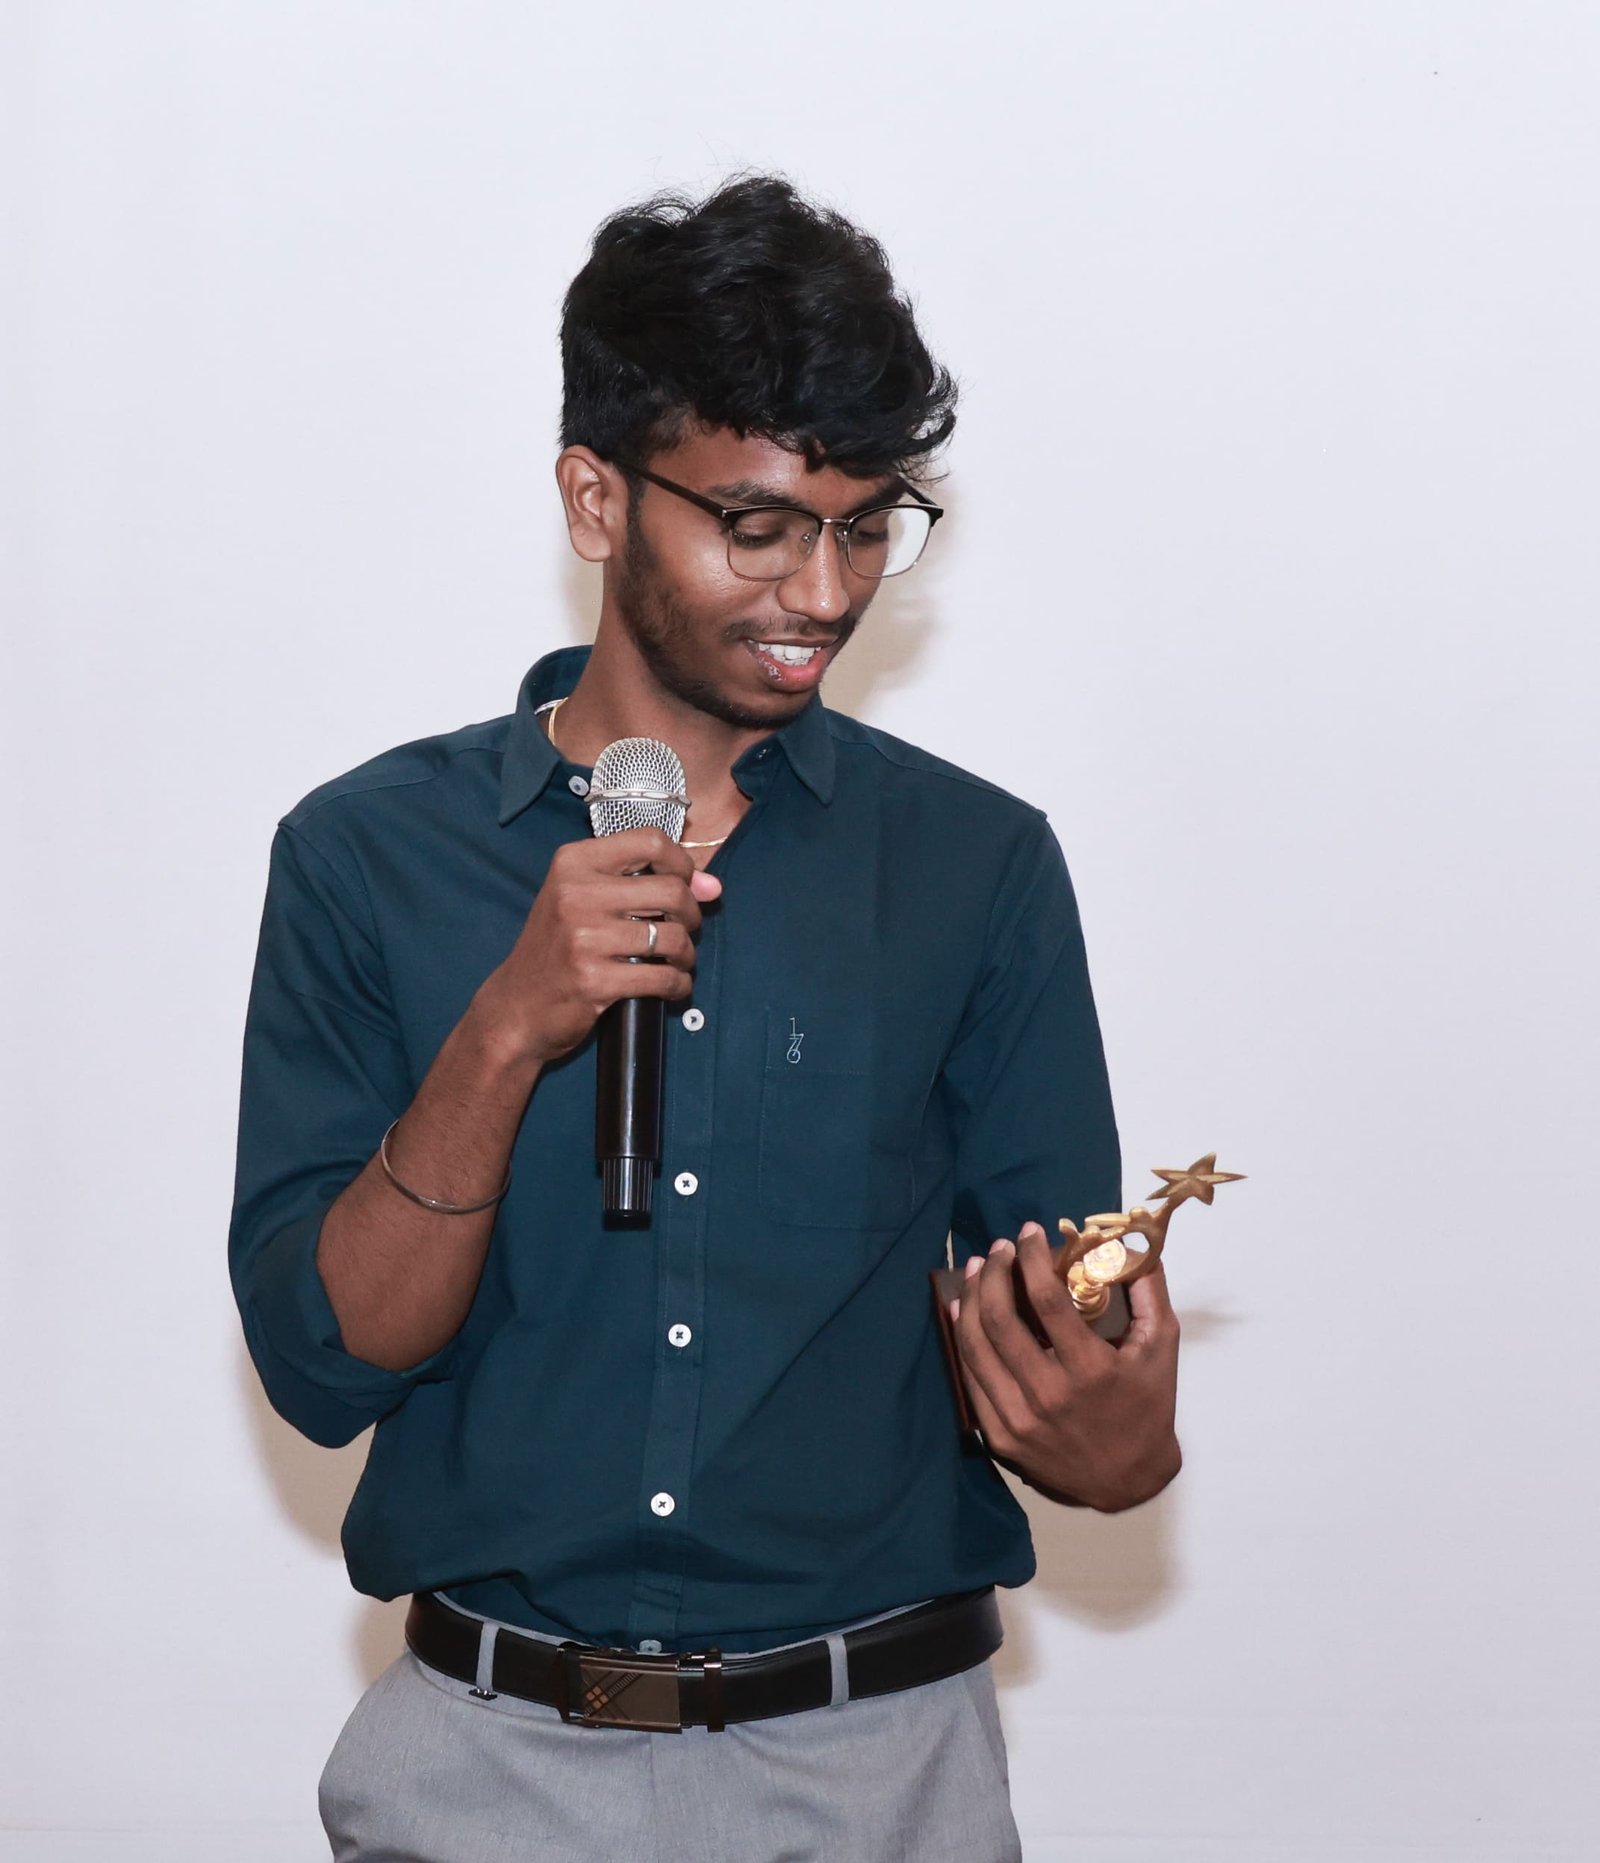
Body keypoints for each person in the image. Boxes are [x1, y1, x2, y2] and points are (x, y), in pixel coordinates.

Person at [230, 174, 1182, 1863]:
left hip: (877, 1772)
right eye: (757, 524)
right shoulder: (366, 855)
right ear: (597, 498)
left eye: (867, 522)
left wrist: (1115, 1436)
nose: (822, 588)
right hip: (485, 1774)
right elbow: (320, 1369)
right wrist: (508, 1027)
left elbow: (1075, 1384)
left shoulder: (976, 869)